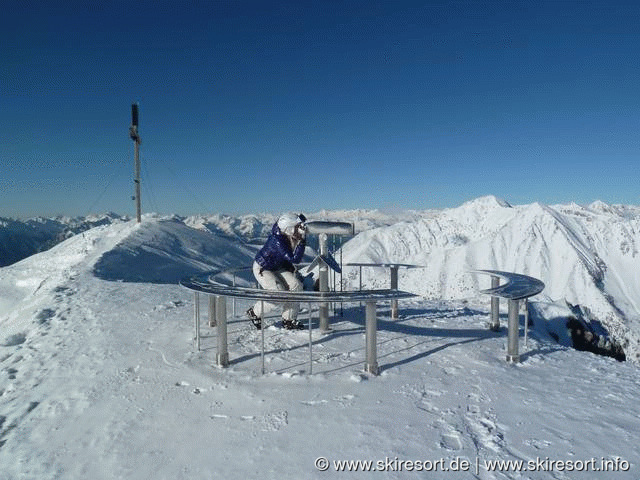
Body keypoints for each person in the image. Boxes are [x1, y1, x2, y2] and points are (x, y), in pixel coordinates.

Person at [246, 213, 307, 330]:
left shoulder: (286, 233)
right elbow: (295, 259)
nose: (300, 228)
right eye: (297, 226)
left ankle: (288, 319)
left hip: (278, 267)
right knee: (278, 294)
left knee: (296, 286)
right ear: (288, 228)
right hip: (263, 268)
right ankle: (254, 312)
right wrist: (302, 241)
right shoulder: (278, 241)